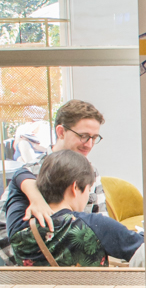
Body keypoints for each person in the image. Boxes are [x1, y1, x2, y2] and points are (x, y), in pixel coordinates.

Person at [10, 150, 143, 267]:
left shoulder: (19, 225)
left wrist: (36, 198)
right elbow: (143, 249)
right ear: (75, 187)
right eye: (88, 190)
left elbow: (18, 175)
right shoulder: (96, 225)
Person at [5, 99, 107, 235]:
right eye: (83, 136)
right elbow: (3, 228)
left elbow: (102, 221)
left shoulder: (92, 172)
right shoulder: (30, 172)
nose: (89, 145)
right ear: (61, 132)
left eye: (94, 138)